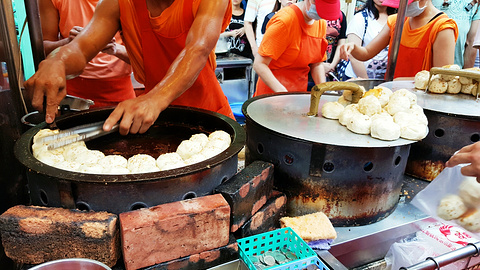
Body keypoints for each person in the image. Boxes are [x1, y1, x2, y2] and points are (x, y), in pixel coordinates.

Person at [25, 0, 234, 136]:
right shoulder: (117, 3)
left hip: (209, 116)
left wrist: (154, 98)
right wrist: (57, 61)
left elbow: (198, 47)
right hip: (155, 122)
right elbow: (81, 47)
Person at [38, 0, 136, 108]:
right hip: (72, 93)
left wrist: (117, 49)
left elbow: (150, 59)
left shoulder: (127, 3)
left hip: (120, 92)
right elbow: (43, 48)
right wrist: (69, 44)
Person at [339, 0, 459, 79]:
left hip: (423, 106)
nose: (403, 6)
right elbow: (366, 53)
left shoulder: (442, 28)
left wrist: (399, 82)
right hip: (393, 97)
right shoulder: (396, 21)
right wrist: (353, 48)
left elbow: (441, 79)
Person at [252, 0, 340, 96]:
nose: (321, 16)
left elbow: (317, 64)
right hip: (271, 95)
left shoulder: (320, 24)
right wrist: (283, 93)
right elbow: (259, 64)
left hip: (297, 94)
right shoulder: (284, 21)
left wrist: (323, 91)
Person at [343, 0, 397, 79]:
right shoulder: (360, 18)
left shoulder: (395, 20)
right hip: (358, 78)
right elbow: (354, 56)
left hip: (383, 80)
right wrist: (366, 81)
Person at [432, 0, 480, 68]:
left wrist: (466, 76)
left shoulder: (476, 3)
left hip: (457, 71)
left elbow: (471, 42)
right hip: (427, 68)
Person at [322, 11, 347, 81]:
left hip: (331, 70)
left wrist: (332, 65)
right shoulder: (313, 13)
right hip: (311, 69)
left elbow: (341, 43)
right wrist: (320, 66)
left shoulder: (340, 15)